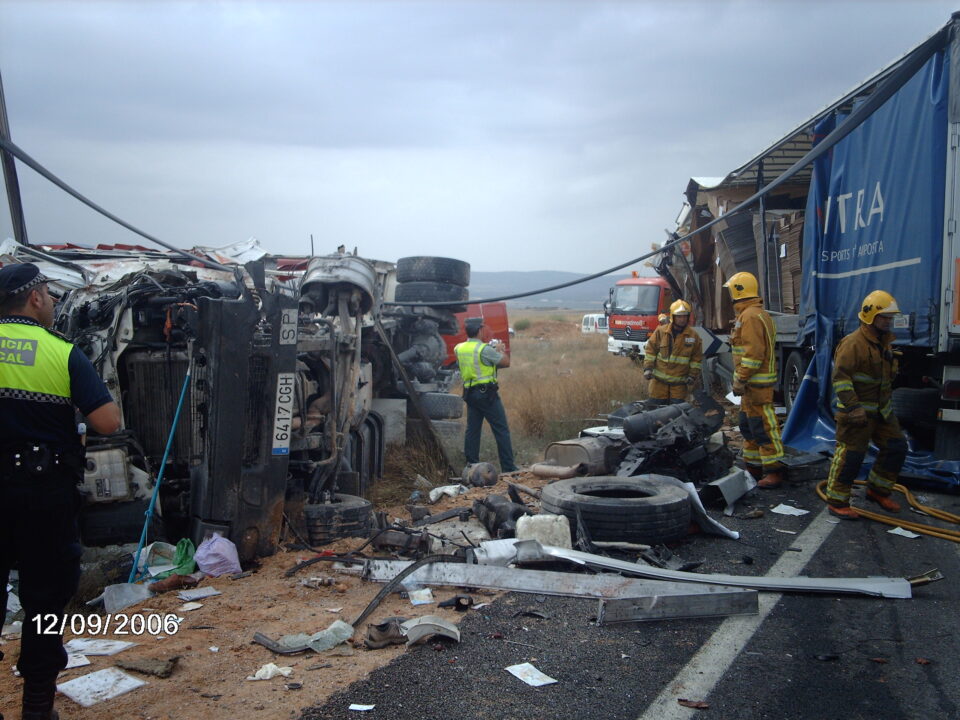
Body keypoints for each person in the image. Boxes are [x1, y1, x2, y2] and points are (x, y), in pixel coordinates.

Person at [0, 263, 121, 720]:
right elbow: (108, 422)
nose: (51, 301)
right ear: (34, 299)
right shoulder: (61, 353)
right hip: (41, 496)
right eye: (48, 293)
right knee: (44, 601)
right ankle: (36, 709)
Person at [823, 291, 907, 520]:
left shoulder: (884, 344)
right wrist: (853, 407)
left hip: (881, 413)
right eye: (885, 318)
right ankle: (837, 500)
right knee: (851, 456)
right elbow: (840, 379)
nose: (889, 322)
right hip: (856, 414)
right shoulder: (853, 344)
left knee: (897, 447)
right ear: (870, 317)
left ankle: (877, 490)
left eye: (890, 318)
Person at [723, 271, 785, 488]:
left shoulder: (750, 317)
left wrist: (740, 378)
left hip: (756, 385)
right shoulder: (750, 315)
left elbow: (753, 353)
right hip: (750, 386)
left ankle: (774, 470)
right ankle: (754, 466)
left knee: (764, 427)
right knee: (749, 426)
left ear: (737, 291)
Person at [454, 317, 517, 473]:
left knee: (472, 430)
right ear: (480, 330)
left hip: (469, 393)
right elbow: (505, 363)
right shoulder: (484, 349)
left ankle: (471, 467)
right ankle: (508, 468)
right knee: (501, 430)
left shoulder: (459, 348)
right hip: (487, 395)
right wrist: (500, 350)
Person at [643, 299, 703, 406]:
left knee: (676, 415)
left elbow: (696, 358)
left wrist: (692, 376)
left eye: (684, 316)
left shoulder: (693, 336)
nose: (682, 319)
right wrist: (648, 368)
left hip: (679, 385)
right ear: (672, 317)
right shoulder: (661, 332)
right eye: (679, 316)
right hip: (658, 384)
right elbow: (650, 350)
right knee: (655, 412)